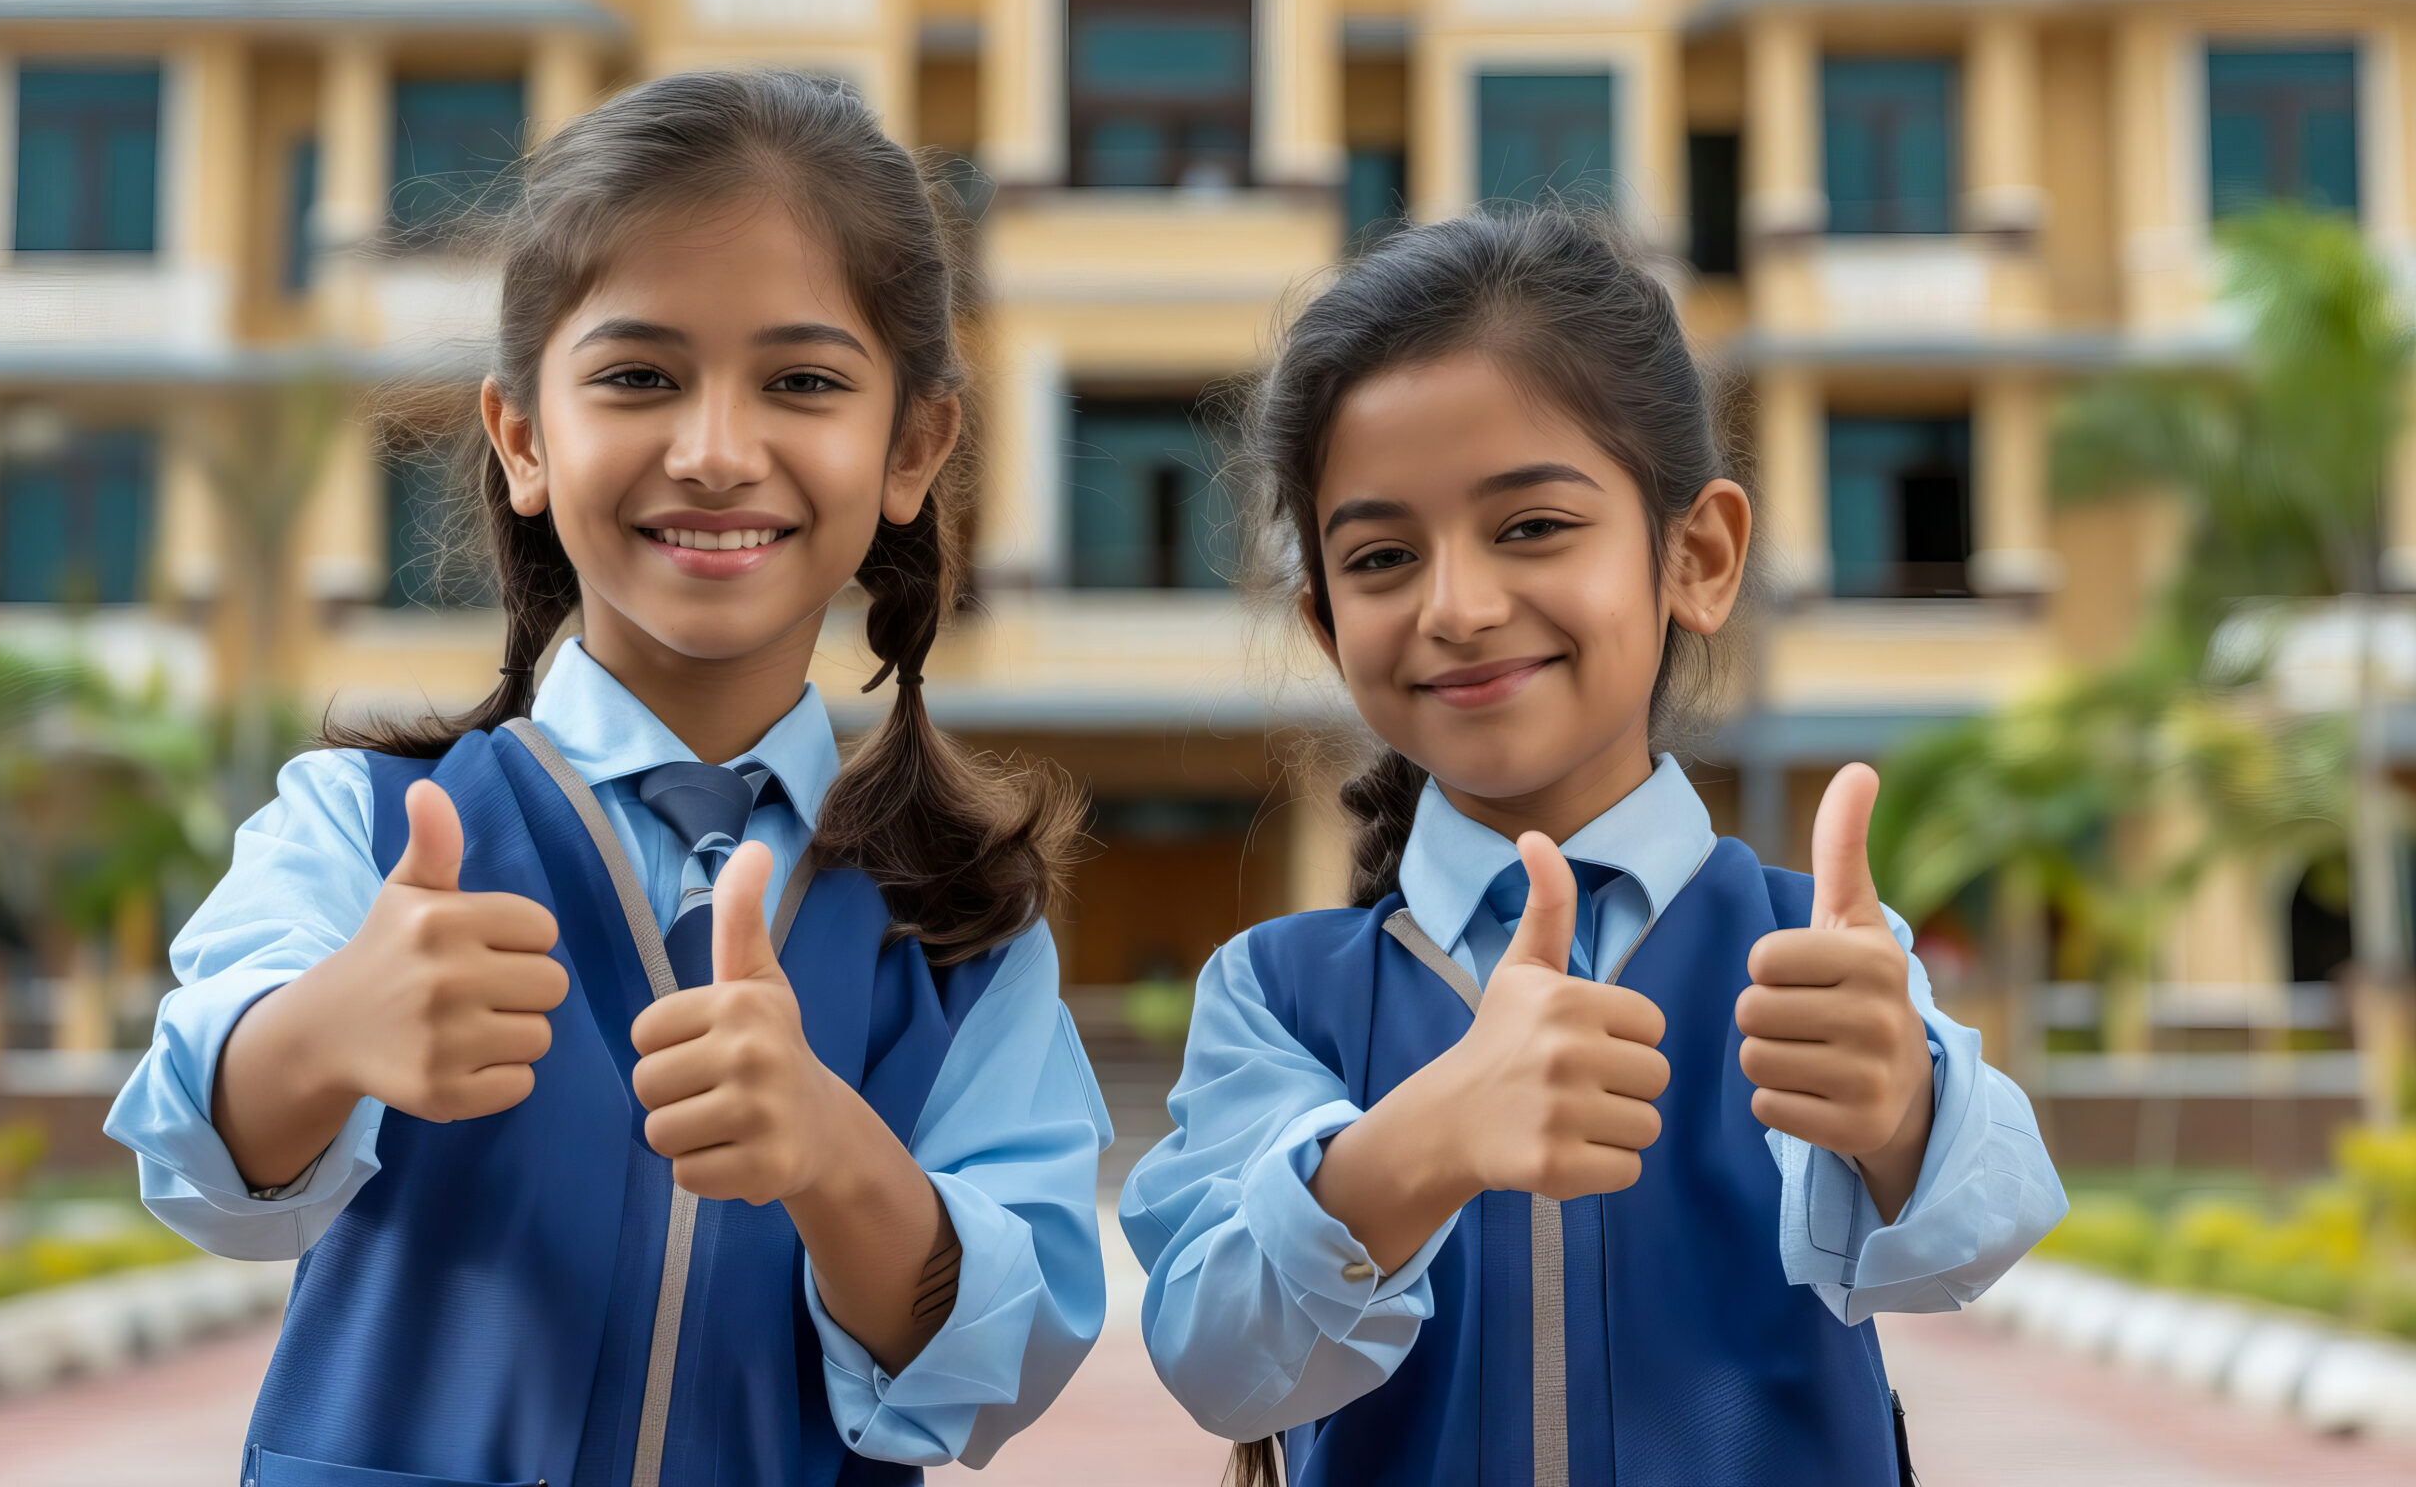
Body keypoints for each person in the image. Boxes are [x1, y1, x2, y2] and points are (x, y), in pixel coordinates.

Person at [107, 71, 1109, 1486]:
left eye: (804, 382)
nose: (713, 452)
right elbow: (205, 1170)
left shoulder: (957, 926)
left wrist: (838, 1157)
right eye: (637, 376)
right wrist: (334, 1027)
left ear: (912, 448)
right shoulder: (369, 830)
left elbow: (1002, 1368)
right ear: (523, 436)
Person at [1121, 205, 2065, 1486]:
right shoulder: (1278, 995)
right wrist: (1421, 1140)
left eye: (1531, 526)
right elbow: (1215, 1357)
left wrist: (1903, 1108)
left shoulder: (1810, 955)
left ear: (1696, 553)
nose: (1456, 604)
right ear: (1328, 620)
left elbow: (1978, 1228)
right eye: (1384, 555)